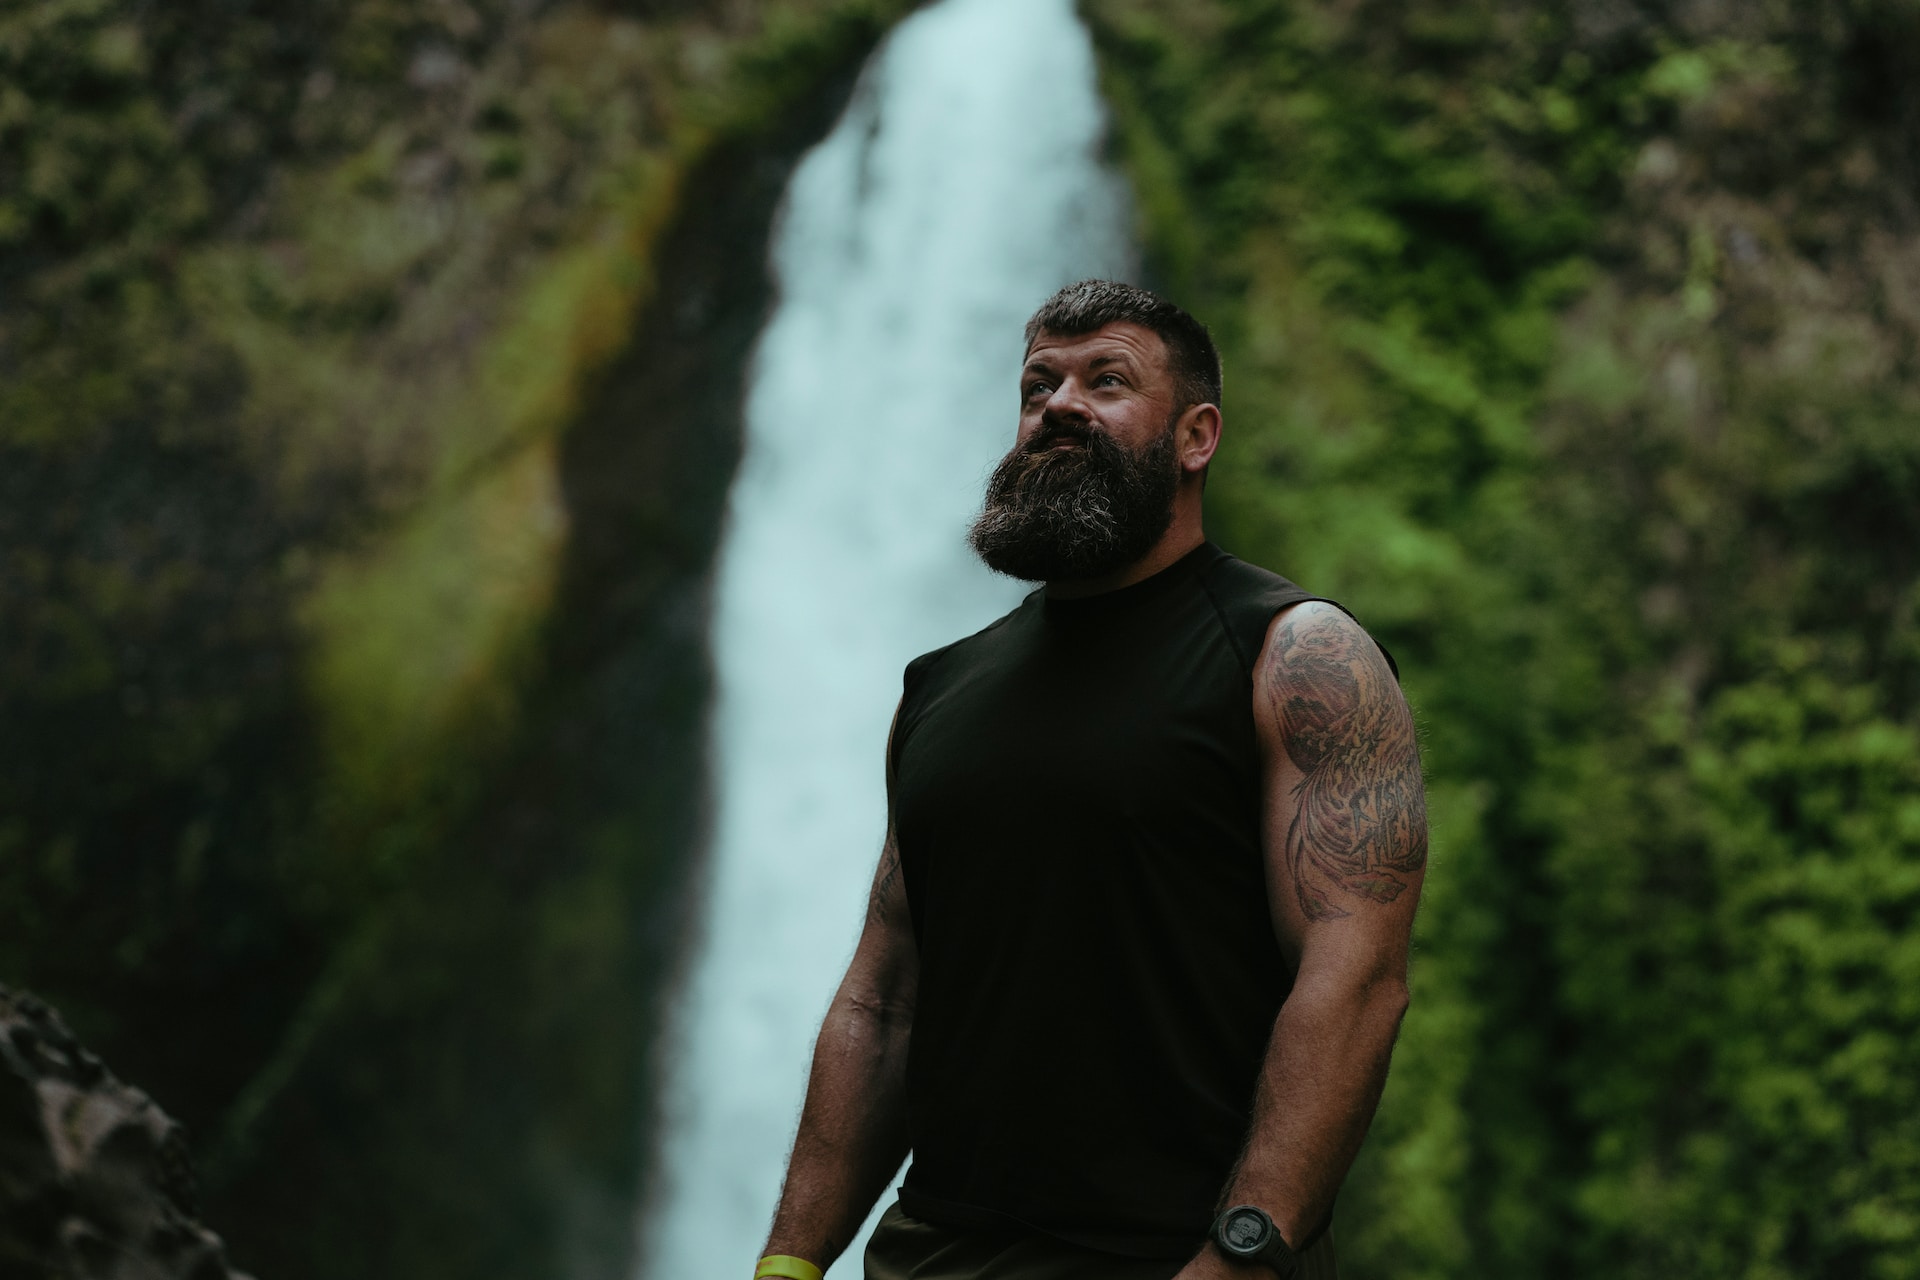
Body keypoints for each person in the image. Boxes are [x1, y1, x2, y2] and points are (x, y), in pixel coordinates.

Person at [751, 281, 1427, 1280]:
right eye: (1039, 385)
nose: (1060, 406)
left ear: (1197, 437)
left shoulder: (1295, 657)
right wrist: (789, 1263)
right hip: (931, 1254)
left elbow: (1357, 980)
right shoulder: (939, 688)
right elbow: (885, 999)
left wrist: (1244, 1252)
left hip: (1171, 1257)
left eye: (1107, 380)